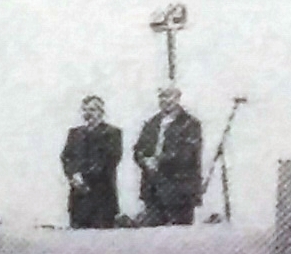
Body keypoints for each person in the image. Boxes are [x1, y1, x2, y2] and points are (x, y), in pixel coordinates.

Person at [133, 85, 205, 224]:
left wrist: (158, 161)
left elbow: (186, 154)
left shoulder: (190, 124)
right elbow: (138, 149)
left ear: (178, 98)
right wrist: (144, 160)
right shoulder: (151, 123)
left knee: (179, 238)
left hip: (179, 192)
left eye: (169, 95)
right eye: (162, 96)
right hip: (153, 191)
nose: (166, 100)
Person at [60, 95, 123, 230]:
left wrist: (84, 176)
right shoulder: (74, 133)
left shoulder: (112, 133)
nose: (88, 114)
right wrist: (73, 175)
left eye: (93, 110)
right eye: (85, 110)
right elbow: (66, 157)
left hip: (102, 198)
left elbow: (110, 160)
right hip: (78, 199)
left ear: (101, 112)